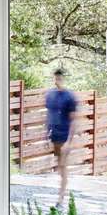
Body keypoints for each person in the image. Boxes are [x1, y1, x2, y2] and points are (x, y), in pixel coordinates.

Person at [45, 68, 77, 207]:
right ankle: (62, 193)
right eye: (56, 78)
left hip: (64, 137)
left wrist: (69, 142)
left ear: (64, 79)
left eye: (60, 78)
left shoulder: (69, 97)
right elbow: (48, 116)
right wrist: (46, 136)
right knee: (59, 166)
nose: (58, 81)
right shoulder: (50, 95)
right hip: (54, 136)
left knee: (63, 166)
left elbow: (74, 120)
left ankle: (61, 199)